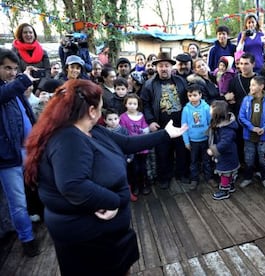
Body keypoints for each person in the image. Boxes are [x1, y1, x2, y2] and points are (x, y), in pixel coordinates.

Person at [24, 79, 188, 276]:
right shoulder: (68, 139)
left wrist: (165, 134)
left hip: (107, 236)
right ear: (92, 110)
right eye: (101, 106)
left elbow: (126, 143)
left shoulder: (91, 129)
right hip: (87, 240)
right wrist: (116, 201)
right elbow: (74, 186)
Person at [0, 48, 39, 257]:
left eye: (15, 69)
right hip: (8, 158)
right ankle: (27, 240)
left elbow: (28, 115)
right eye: (7, 68)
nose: (12, 73)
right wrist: (23, 80)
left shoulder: (12, 88)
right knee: (18, 204)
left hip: (29, 151)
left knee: (41, 188)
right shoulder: (9, 89)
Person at [140, 52, 189, 189]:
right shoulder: (149, 84)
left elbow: (187, 99)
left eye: (166, 65)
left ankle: (182, 174)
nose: (163, 68)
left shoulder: (180, 81)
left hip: (180, 123)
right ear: (156, 67)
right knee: (163, 153)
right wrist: (150, 121)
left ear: (171, 67)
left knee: (181, 151)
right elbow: (145, 104)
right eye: (160, 66)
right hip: (161, 125)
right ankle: (164, 178)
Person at [238, 76, 265, 191]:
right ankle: (248, 177)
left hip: (263, 136)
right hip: (249, 135)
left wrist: (264, 128)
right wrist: (251, 127)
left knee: (263, 158)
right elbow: (241, 116)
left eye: (253, 85)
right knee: (249, 158)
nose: (250, 87)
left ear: (261, 86)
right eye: (250, 85)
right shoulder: (246, 99)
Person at [181, 84, 213, 190]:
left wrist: (210, 139)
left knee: (207, 160)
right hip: (193, 141)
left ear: (200, 95)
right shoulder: (186, 110)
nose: (192, 98)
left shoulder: (206, 107)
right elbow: (184, 126)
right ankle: (194, 179)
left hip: (205, 140)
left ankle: (209, 177)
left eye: (195, 95)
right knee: (193, 161)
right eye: (190, 96)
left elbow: (211, 124)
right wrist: (186, 141)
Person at [120, 94, 151, 198]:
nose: (132, 106)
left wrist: (143, 132)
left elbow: (145, 128)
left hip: (142, 146)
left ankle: (145, 185)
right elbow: (124, 132)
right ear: (125, 104)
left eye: (134, 104)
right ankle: (135, 186)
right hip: (131, 147)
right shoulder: (123, 117)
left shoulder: (141, 116)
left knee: (143, 167)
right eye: (130, 103)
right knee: (134, 168)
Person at [207, 100, 240, 200]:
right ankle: (230, 186)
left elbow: (225, 143)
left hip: (227, 155)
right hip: (227, 154)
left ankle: (224, 190)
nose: (209, 110)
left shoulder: (227, 129)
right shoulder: (220, 123)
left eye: (211, 108)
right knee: (228, 172)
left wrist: (213, 150)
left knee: (224, 172)